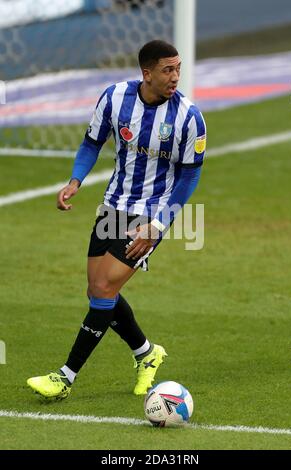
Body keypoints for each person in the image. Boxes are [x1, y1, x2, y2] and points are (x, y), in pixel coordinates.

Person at [27, 39, 206, 400]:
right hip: (112, 206)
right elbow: (92, 142)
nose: (175, 77)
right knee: (96, 292)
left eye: (178, 69)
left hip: (149, 216)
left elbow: (188, 178)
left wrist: (158, 226)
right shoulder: (114, 98)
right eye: (167, 70)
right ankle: (146, 352)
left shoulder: (189, 118)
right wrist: (76, 179)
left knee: (106, 289)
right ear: (147, 73)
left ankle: (65, 376)